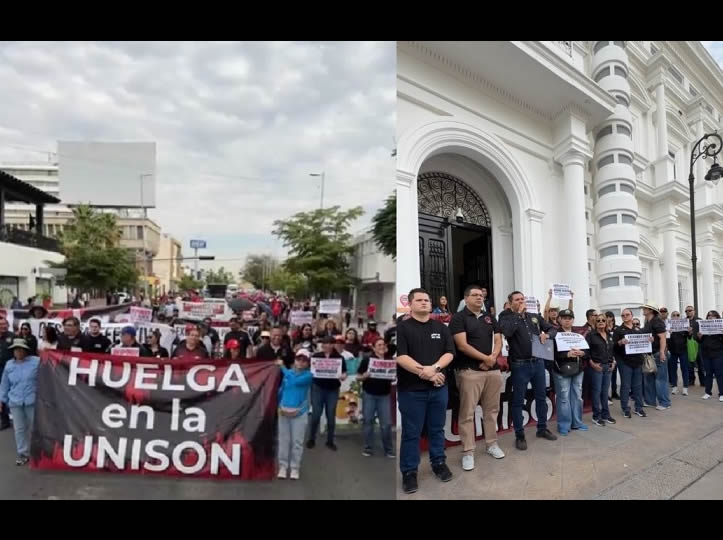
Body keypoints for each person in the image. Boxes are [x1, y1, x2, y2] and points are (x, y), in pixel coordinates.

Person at [396, 288, 454, 495]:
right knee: (411, 433)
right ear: (410, 304)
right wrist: (427, 373)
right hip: (411, 391)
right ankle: (409, 472)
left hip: (438, 389)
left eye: (427, 300)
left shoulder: (441, 327)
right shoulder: (401, 328)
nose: (424, 303)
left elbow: (449, 353)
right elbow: (401, 356)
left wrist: (435, 369)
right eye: (419, 300)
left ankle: (438, 463)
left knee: (437, 429)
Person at [449, 285, 505, 471]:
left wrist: (492, 358)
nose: (479, 298)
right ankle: (468, 452)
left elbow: (498, 340)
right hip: (469, 371)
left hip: (492, 371)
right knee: (467, 413)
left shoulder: (490, 317)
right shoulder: (458, 318)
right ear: (466, 298)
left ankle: (492, 444)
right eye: (475, 295)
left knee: (492, 410)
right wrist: (485, 359)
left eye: (481, 295)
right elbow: (462, 345)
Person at [499, 291, 557, 450]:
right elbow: (507, 332)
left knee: (541, 397)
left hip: (538, 362)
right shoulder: (505, 316)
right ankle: (519, 435)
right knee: (518, 401)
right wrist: (518, 314)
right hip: (520, 365)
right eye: (517, 300)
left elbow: (552, 329)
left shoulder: (534, 316)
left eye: (522, 299)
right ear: (510, 302)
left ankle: (542, 428)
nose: (520, 301)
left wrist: (547, 335)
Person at [0, 338, 40, 465]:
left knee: (35, 428)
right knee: (19, 429)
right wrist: (1, 400)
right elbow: (4, 384)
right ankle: (23, 453)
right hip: (15, 401)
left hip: (32, 400)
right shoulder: (9, 365)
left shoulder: (36, 362)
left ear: (25, 350)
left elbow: (48, 370)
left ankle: (37, 453)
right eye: (16, 349)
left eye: (21, 349)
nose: (18, 352)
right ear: (13, 351)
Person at [277, 349, 314, 481]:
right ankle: (283, 466)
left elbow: (294, 381)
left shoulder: (309, 376)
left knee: (297, 442)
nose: (300, 362)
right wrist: (279, 406)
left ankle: (295, 467)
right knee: (283, 441)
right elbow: (281, 390)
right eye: (299, 359)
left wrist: (282, 367)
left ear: (308, 363)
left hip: (299, 413)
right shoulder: (288, 374)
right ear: (295, 360)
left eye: (304, 360)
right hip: (284, 412)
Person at [551, 309, 588, 435]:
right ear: (559, 320)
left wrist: (582, 353)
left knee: (577, 397)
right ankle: (564, 425)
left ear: (573, 320)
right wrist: (566, 354)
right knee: (563, 398)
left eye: (569, 318)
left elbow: (587, 351)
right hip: (561, 370)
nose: (567, 320)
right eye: (564, 318)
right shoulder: (555, 334)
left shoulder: (578, 335)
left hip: (578, 369)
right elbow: (551, 353)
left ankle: (577, 422)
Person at [307, 336, 347, 451]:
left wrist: (343, 376)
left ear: (334, 345)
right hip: (318, 388)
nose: (328, 346)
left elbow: (344, 372)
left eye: (330, 343)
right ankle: (311, 438)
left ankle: (330, 441)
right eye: (326, 343)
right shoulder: (316, 356)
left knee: (330, 415)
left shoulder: (339, 358)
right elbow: (310, 370)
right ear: (322, 345)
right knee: (316, 414)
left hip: (332, 390)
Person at [356, 337, 395, 458]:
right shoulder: (367, 360)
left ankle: (389, 449)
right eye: (379, 345)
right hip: (369, 394)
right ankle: (368, 448)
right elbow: (358, 377)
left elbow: (394, 377)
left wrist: (393, 376)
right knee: (368, 421)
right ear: (373, 348)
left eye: (383, 344)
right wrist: (364, 376)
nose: (382, 347)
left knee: (386, 424)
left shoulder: (390, 360)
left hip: (384, 395)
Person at [613, 308, 646, 418]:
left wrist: (648, 340)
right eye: (623, 315)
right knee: (626, 386)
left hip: (637, 361)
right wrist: (620, 342)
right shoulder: (618, 330)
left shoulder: (638, 330)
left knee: (638, 386)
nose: (625, 316)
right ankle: (625, 408)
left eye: (627, 314)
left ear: (632, 316)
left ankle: (639, 408)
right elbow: (613, 346)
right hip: (624, 362)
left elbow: (644, 344)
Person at [586, 312, 617, 426]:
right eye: (598, 320)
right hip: (597, 367)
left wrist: (613, 361)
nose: (600, 322)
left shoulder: (609, 335)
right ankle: (596, 416)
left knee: (605, 392)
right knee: (596, 392)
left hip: (608, 367)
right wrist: (592, 364)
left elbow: (612, 351)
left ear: (606, 322)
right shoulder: (591, 335)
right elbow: (586, 352)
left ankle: (606, 415)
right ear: (595, 323)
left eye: (603, 320)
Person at [641, 304, 670, 410]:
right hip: (649, 354)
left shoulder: (657, 321)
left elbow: (663, 337)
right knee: (649, 378)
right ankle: (650, 401)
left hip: (657, 353)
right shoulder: (648, 322)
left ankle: (665, 403)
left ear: (650, 310)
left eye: (645, 308)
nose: (643, 310)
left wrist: (662, 352)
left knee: (660, 379)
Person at [694, 310, 723, 401]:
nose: (710, 317)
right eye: (709, 315)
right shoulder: (703, 326)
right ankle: (707, 392)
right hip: (706, 354)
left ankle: (722, 393)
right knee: (708, 374)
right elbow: (699, 340)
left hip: (718, 354)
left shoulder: (721, 325)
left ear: (717, 317)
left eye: (713, 315)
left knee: (719, 374)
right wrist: (699, 337)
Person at [667, 310, 689, 396]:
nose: (676, 316)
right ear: (671, 317)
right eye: (674, 315)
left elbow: (689, 337)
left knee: (684, 369)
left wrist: (690, 331)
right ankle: (674, 386)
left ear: (680, 316)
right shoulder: (668, 326)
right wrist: (669, 333)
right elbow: (666, 340)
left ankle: (685, 388)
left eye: (677, 315)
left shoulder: (684, 325)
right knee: (673, 369)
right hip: (673, 351)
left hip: (683, 350)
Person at [0, 316, 15, 430]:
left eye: (5, 324)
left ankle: (16, 417)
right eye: (1, 324)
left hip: (10, 369)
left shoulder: (13, 337)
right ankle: (4, 419)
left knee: (11, 393)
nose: (3, 326)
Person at [685, 306, 704, 386]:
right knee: (689, 364)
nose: (688, 312)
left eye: (690, 310)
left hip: (698, 343)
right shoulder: (683, 321)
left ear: (694, 311)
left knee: (700, 363)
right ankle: (691, 380)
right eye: (686, 311)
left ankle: (703, 381)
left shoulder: (700, 320)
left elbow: (704, 330)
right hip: (688, 344)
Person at [605, 311, 620, 400]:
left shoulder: (617, 328)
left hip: (615, 354)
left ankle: (614, 392)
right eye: (607, 317)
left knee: (614, 374)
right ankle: (606, 395)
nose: (609, 319)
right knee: (607, 375)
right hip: (606, 354)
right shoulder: (603, 328)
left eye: (610, 317)